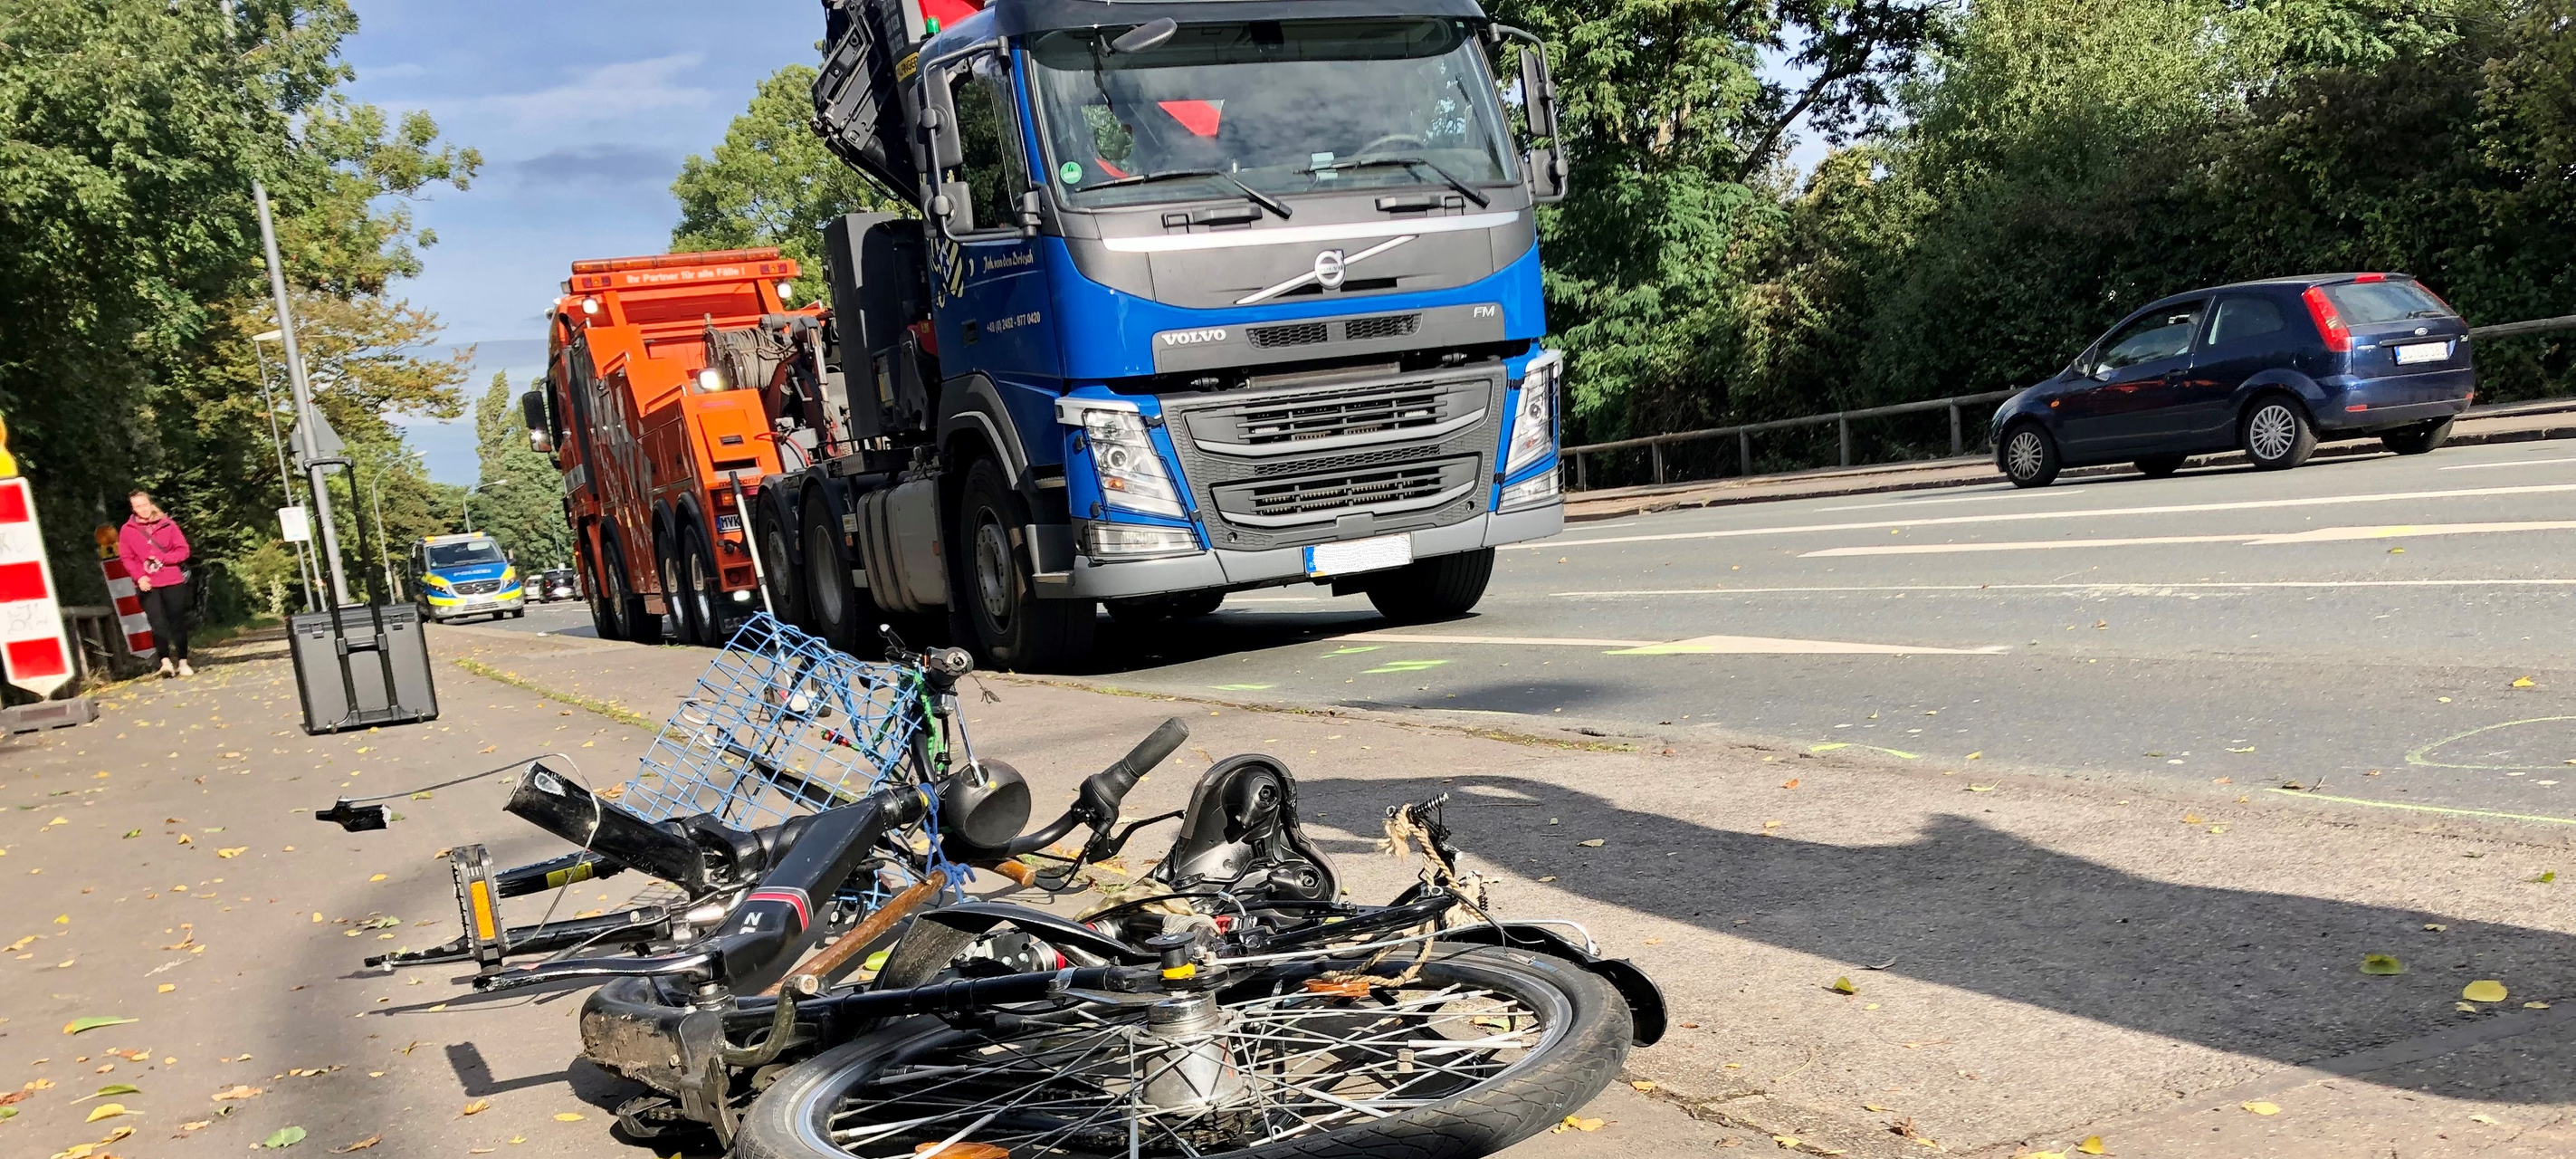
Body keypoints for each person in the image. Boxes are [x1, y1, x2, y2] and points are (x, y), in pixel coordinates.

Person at [118, 489, 193, 677]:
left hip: (172, 579)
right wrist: (139, 577)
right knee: (157, 623)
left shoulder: (168, 524)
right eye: (137, 507)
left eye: (144, 505)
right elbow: (127, 558)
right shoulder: (127, 530)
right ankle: (165, 662)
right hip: (147, 583)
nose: (142, 509)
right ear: (133, 509)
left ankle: (183, 661)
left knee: (177, 621)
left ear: (150, 504)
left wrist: (163, 558)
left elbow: (183, 551)